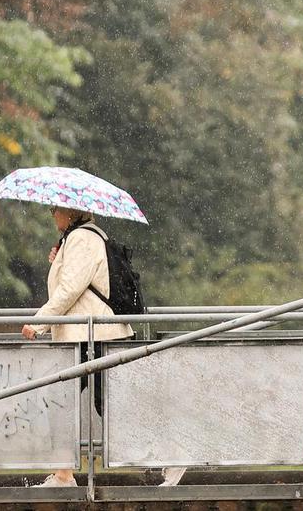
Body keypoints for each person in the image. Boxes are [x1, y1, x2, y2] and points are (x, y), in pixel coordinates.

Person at [21, 205, 186, 488]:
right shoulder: (78, 239)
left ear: (70, 213)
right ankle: (63, 474)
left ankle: (174, 453)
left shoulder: (83, 239)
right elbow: (75, 284)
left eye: (55, 210)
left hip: (95, 337)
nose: (52, 215)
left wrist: (39, 322)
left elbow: (70, 289)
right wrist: (58, 261)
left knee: (93, 403)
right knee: (76, 401)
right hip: (90, 336)